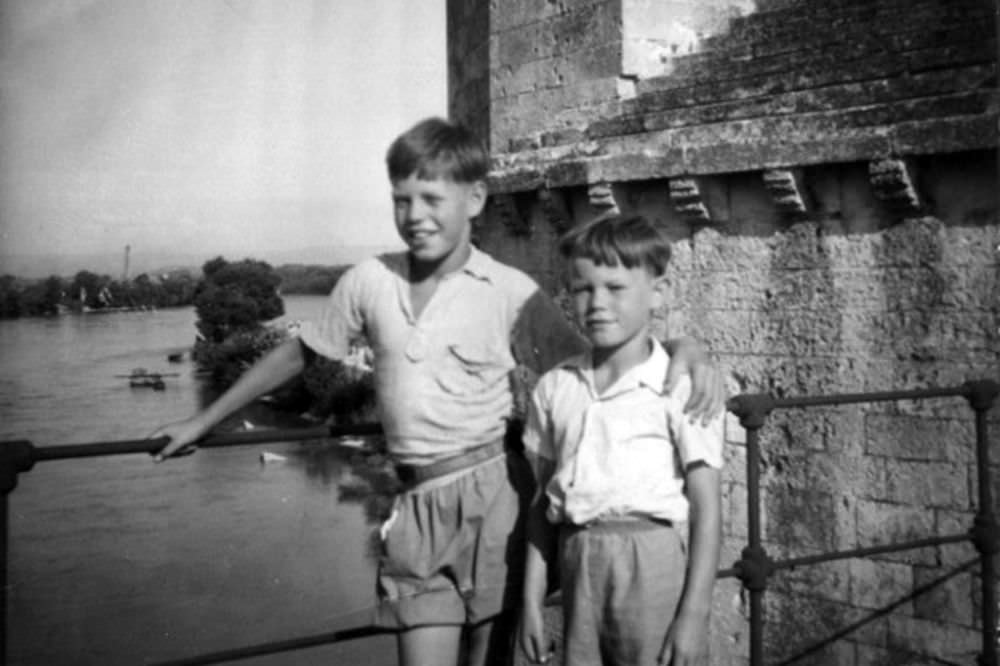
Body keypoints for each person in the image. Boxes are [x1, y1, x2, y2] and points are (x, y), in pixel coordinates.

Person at [150, 118, 725, 666]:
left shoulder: (510, 291)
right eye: (402, 200)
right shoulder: (368, 282)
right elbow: (300, 353)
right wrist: (205, 422)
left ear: (474, 201)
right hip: (417, 504)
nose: (414, 216)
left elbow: (599, 345)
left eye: (431, 200)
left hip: (497, 498)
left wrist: (684, 347)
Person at [519, 214, 725, 666]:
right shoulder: (556, 387)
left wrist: (694, 614)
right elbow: (541, 505)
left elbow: (708, 509)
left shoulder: (681, 386)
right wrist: (531, 603)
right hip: (577, 560)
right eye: (582, 288)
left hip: (651, 561)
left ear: (657, 293)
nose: (597, 303)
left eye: (615, 288)